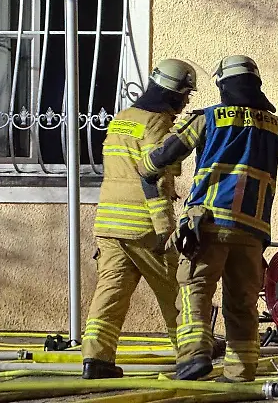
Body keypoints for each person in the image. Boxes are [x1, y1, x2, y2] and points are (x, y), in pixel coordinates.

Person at [141, 55, 278, 382]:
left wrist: (146, 169)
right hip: (250, 231)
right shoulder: (274, 127)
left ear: (223, 87)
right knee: (243, 303)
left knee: (195, 289)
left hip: (207, 226)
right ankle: (241, 372)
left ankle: (193, 357)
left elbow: (163, 155)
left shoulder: (208, 119)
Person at [81, 58, 197, 380]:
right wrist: (165, 228)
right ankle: (190, 354)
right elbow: (154, 175)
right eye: (186, 94)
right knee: (176, 289)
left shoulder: (122, 119)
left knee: (110, 292)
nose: (186, 101)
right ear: (174, 92)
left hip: (108, 224)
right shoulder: (156, 122)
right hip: (143, 225)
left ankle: (96, 359)